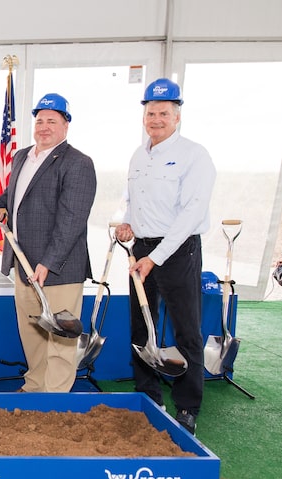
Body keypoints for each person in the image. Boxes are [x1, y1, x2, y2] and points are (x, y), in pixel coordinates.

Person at [115, 78, 216, 435]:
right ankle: (148, 396)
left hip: (177, 250)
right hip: (141, 249)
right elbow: (131, 198)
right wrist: (127, 222)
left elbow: (190, 213)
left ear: (177, 117)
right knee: (142, 326)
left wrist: (156, 257)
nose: (155, 119)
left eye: (163, 113)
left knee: (186, 328)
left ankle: (187, 407)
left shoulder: (194, 155)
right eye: (150, 113)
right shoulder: (139, 154)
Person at [0, 93, 97, 393]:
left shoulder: (78, 163)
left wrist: (48, 262)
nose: (44, 127)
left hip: (58, 269)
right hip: (23, 265)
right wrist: (0, 206)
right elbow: (14, 196)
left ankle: (55, 399)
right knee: (33, 333)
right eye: (40, 121)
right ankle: (34, 387)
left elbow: (72, 219)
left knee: (61, 337)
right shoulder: (23, 156)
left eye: (52, 120)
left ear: (66, 126)